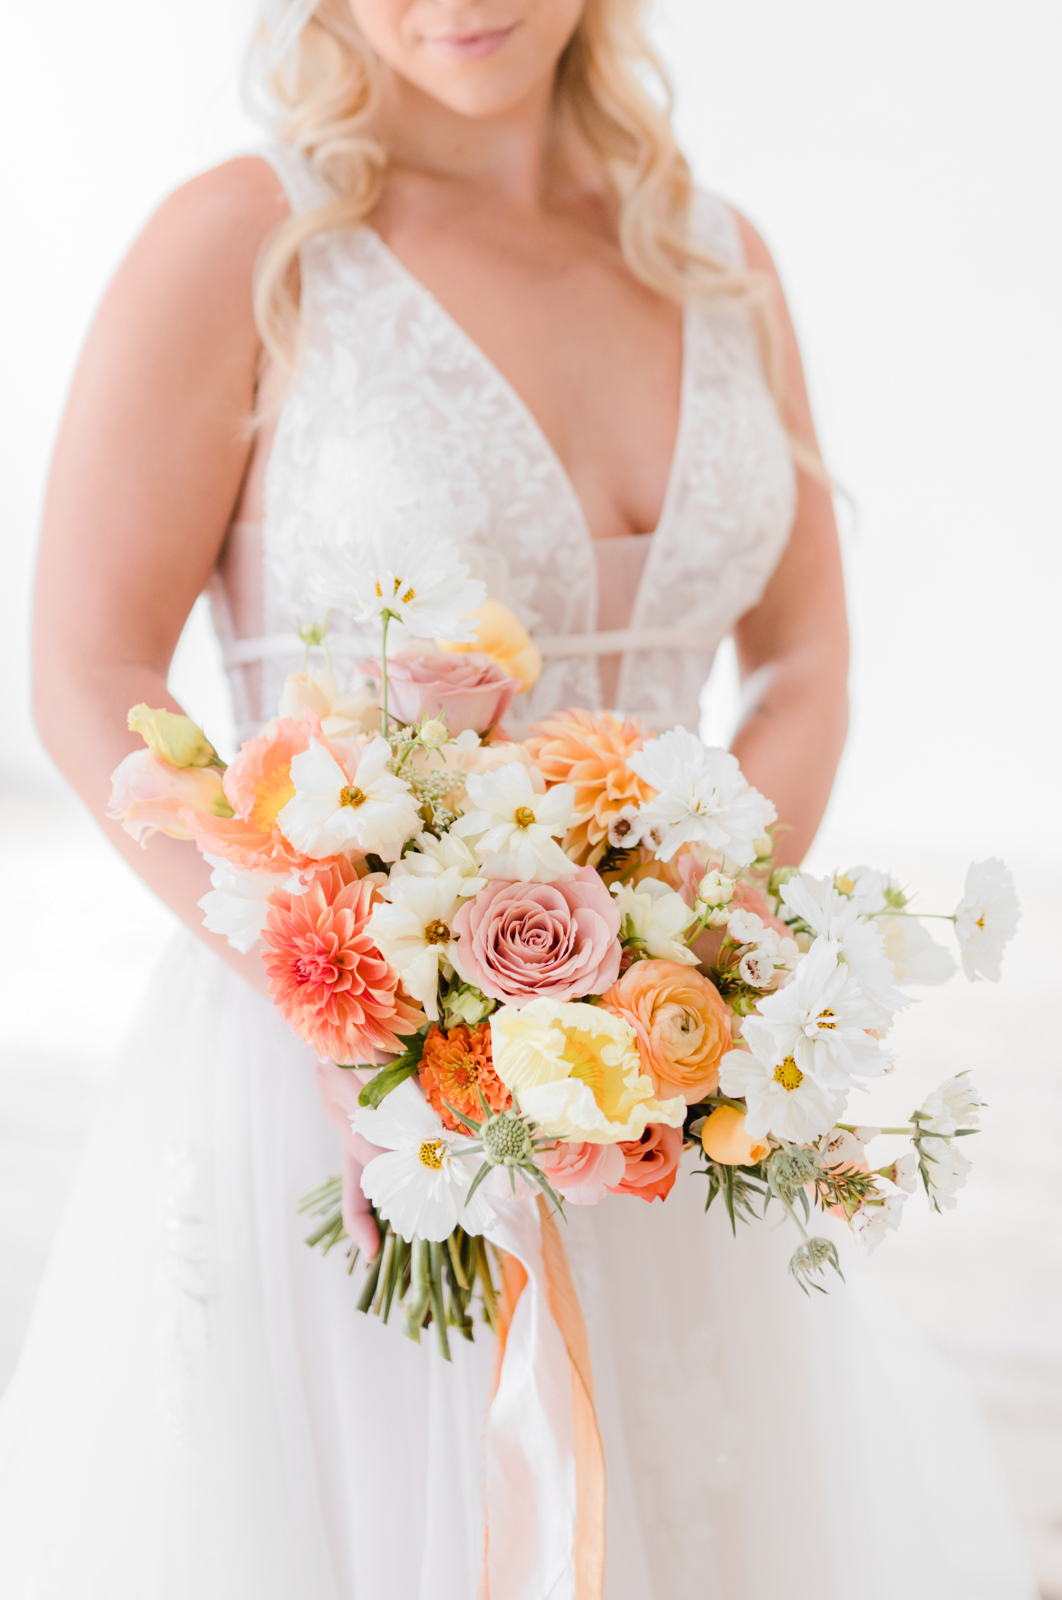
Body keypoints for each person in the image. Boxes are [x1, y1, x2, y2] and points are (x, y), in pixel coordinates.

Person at [1, 2, 1036, 1596]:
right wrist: (379, 1014)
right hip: (341, 1083)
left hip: (666, 1083)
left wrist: (686, 957)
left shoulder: (717, 255)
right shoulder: (242, 246)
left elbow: (804, 659)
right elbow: (86, 670)